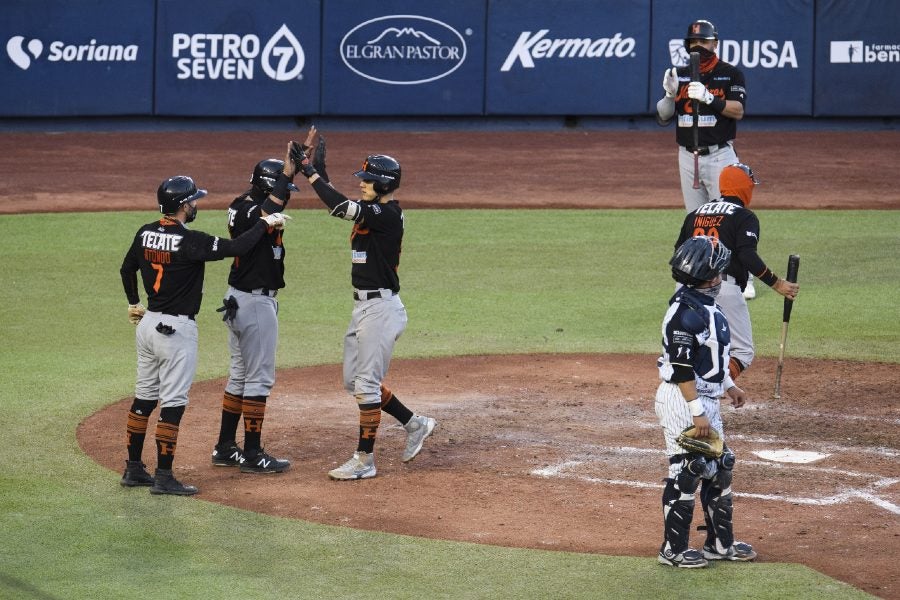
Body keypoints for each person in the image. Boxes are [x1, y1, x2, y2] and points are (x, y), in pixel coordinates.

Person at [120, 175, 287, 495]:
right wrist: (266, 223)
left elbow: (126, 269)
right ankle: (164, 476)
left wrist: (133, 303)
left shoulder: (145, 232)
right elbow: (238, 246)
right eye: (193, 200)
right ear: (183, 206)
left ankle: (133, 468)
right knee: (173, 403)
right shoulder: (189, 240)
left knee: (144, 398)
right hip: (176, 331)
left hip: (148, 325)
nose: (196, 204)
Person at [290, 129, 437, 480]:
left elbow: (339, 205)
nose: (362, 184)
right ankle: (415, 423)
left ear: (384, 186)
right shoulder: (373, 210)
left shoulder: (385, 215)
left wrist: (308, 170)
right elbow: (340, 201)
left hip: (381, 310)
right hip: (365, 309)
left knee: (366, 386)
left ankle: (364, 460)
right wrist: (319, 171)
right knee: (353, 382)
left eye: (369, 181)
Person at [211, 137, 311, 474]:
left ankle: (225, 447)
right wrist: (288, 171)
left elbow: (273, 207)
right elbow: (268, 211)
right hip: (253, 302)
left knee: (239, 375)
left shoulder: (251, 206)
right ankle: (253, 453)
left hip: (242, 298)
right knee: (258, 379)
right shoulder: (247, 209)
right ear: (268, 187)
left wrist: (292, 172)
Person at [655, 235, 757, 568]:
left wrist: (729, 385)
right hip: (683, 399)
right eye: (717, 272)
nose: (721, 277)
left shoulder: (709, 308)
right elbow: (683, 370)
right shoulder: (684, 314)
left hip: (707, 398)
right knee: (689, 468)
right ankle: (672, 550)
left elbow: (712, 356)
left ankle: (719, 544)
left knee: (720, 467)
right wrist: (697, 412)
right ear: (706, 276)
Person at [655, 19, 756, 299]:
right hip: (687, 155)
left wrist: (711, 99)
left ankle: (742, 278)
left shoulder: (730, 74)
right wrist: (668, 94)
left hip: (720, 154)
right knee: (697, 218)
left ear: (715, 43)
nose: (698, 46)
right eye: (694, 42)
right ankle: (699, 274)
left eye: (704, 41)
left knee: (729, 217)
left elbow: (737, 111)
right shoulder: (680, 74)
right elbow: (663, 116)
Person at [674, 163, 799, 380]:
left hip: (685, 289)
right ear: (744, 187)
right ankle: (714, 388)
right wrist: (778, 284)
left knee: (693, 343)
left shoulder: (695, 214)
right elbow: (747, 255)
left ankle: (685, 390)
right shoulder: (744, 216)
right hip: (722, 288)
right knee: (741, 352)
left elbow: (679, 254)